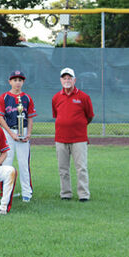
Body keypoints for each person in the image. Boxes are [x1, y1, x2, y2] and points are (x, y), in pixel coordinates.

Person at [52, 67, 94, 202]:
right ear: (60, 80)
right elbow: (56, 115)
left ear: (74, 80)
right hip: (61, 138)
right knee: (63, 168)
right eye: (64, 78)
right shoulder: (56, 98)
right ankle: (65, 193)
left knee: (81, 168)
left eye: (69, 78)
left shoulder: (84, 97)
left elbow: (89, 116)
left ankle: (83, 195)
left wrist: (78, 125)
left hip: (79, 139)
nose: (67, 80)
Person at [0, 70, 36, 202]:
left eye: (20, 80)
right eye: (14, 80)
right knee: (7, 164)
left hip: (23, 131)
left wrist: (28, 133)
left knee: (24, 164)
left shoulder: (27, 98)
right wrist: (10, 133)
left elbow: (30, 117)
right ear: (10, 82)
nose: (17, 82)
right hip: (8, 132)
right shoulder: (4, 97)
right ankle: (6, 192)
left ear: (23, 82)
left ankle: (27, 193)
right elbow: (0, 117)